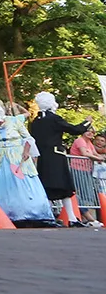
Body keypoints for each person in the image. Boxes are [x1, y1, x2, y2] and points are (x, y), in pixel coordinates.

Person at [0, 102, 56, 226]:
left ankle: (33, 213)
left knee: (24, 183)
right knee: (2, 185)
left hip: (17, 156)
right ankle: (6, 214)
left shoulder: (14, 121)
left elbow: (27, 137)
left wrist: (26, 151)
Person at [29, 91, 92, 225]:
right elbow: (74, 130)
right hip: (56, 156)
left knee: (48, 187)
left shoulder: (35, 122)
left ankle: (57, 217)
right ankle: (70, 218)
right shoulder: (54, 119)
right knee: (63, 187)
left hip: (42, 157)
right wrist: (86, 123)